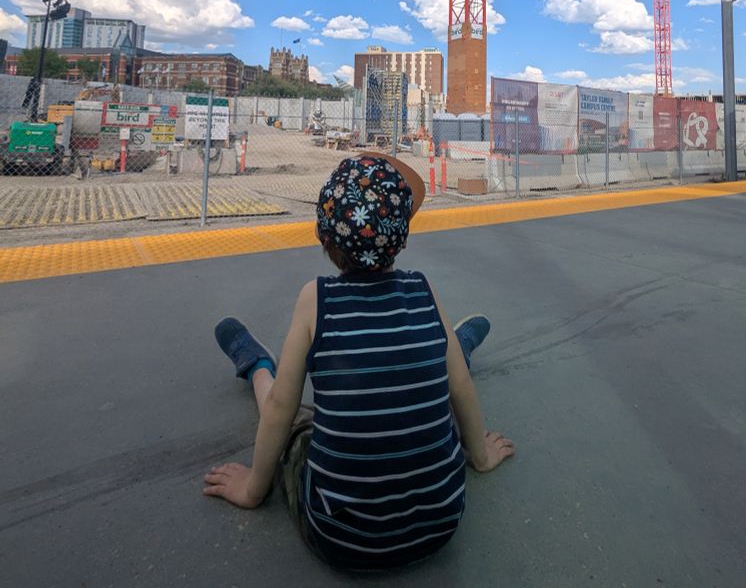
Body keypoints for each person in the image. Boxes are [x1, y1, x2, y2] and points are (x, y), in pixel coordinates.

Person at [203, 152, 514, 571]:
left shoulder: (316, 300)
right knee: (441, 371)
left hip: (340, 539)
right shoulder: (424, 290)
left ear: (325, 238)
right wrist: (481, 456)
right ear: (402, 238)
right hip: (441, 524)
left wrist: (252, 490)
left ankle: (256, 363)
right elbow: (459, 387)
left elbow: (281, 408)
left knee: (297, 421)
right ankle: (456, 345)